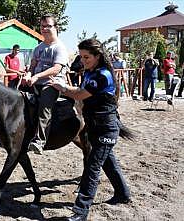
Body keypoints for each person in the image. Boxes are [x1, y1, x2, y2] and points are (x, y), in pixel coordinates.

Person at [51, 39, 130, 221]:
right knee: (108, 163)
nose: (83, 60)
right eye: (81, 56)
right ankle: (123, 194)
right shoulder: (90, 72)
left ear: (97, 56)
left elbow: (79, 94)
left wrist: (62, 88)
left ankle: (81, 212)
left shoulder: (102, 75)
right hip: (94, 126)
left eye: (86, 57)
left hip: (106, 128)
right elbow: (80, 90)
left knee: (92, 169)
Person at [22, 14, 69, 155]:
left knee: (45, 105)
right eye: (42, 26)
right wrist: (28, 75)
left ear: (55, 27)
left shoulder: (59, 48)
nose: (44, 29)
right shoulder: (38, 48)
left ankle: (39, 141)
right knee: (14, 95)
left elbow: (56, 69)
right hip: (36, 81)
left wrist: (36, 76)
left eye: (48, 25)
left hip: (53, 83)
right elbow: (32, 66)